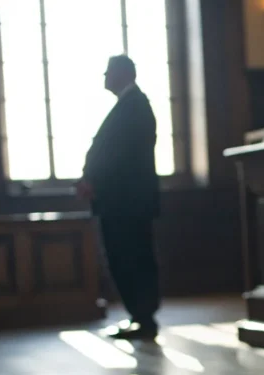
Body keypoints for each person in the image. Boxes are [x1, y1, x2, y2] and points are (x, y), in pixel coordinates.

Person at [76, 55, 161, 340]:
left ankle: (144, 317)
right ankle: (138, 315)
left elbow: (123, 156)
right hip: (119, 202)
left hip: (128, 203)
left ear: (123, 74)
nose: (104, 77)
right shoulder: (127, 106)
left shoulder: (136, 107)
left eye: (108, 72)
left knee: (133, 258)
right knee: (123, 258)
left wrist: (94, 180)